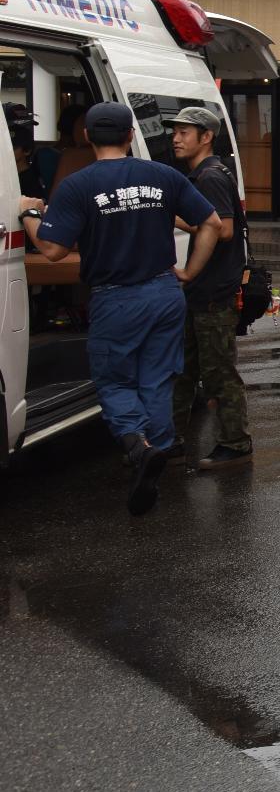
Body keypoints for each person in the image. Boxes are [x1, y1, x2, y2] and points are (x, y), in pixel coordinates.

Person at [19, 102, 224, 516]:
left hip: (117, 298)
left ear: (88, 138)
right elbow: (213, 223)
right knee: (157, 379)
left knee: (114, 380)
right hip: (165, 293)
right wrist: (189, 272)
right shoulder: (163, 176)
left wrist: (29, 212)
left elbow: (54, 249)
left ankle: (136, 444)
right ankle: (157, 452)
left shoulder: (77, 185)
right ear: (131, 135)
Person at [167, 106, 253, 471]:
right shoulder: (204, 174)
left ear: (206, 137)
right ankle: (168, 442)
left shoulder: (211, 177)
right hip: (202, 291)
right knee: (182, 367)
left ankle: (235, 443)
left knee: (218, 371)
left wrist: (176, 218)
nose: (176, 138)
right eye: (175, 131)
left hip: (215, 292)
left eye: (185, 132)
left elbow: (223, 228)